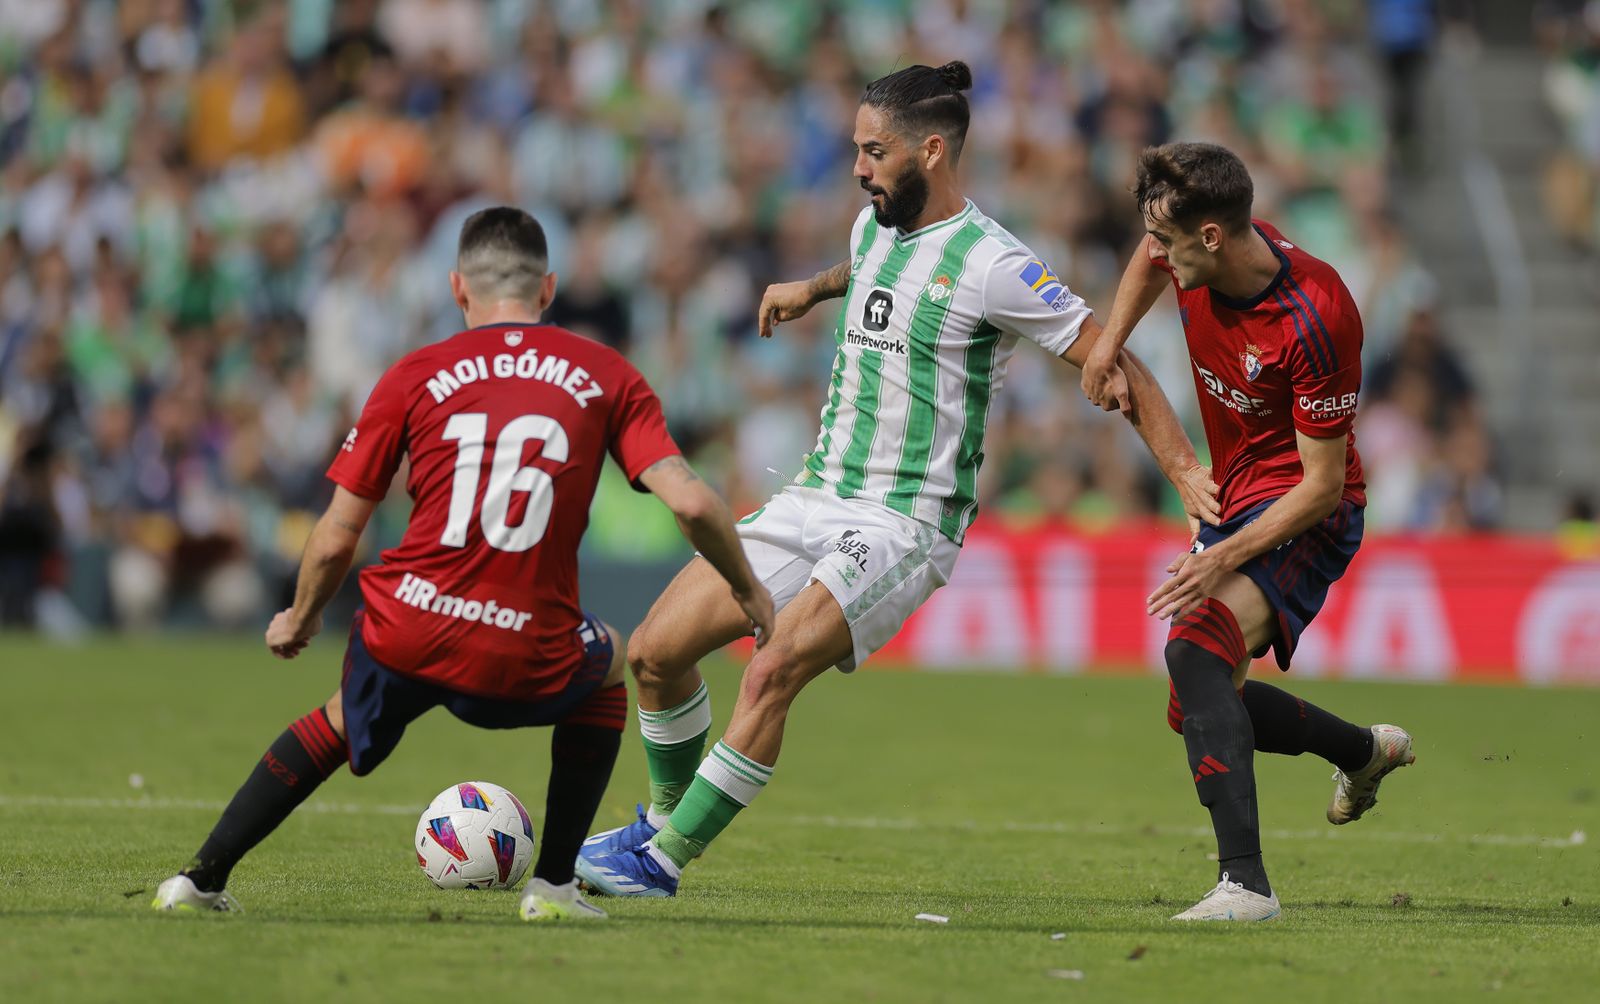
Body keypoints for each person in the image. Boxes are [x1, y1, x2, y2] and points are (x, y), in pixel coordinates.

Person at [574, 62, 1216, 898]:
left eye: (874, 151)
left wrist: (1182, 468)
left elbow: (1112, 356)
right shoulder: (874, 223)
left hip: (903, 523)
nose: (858, 167)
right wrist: (810, 288)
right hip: (813, 492)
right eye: (856, 149)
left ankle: (659, 865)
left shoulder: (995, 265)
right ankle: (657, 823)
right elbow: (870, 273)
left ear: (934, 151)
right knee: (656, 654)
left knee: (772, 670)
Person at [151, 207, 774, 921]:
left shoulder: (414, 373)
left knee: (336, 720)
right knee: (609, 662)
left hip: (408, 623)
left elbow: (334, 535)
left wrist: (300, 615)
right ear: (549, 290)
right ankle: (554, 886)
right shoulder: (606, 374)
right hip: (524, 641)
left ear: (456, 288)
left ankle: (198, 879)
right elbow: (693, 505)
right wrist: (747, 589)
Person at [1080, 142, 1417, 922]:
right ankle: (1364, 753)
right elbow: (1144, 255)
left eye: (1168, 242)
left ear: (1211, 238)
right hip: (1237, 495)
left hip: (1307, 507)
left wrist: (1220, 556)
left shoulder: (1319, 314)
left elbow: (1324, 483)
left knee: (1195, 650)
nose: (1156, 252)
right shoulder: (1191, 246)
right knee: (1197, 701)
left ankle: (1247, 887)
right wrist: (1106, 345)